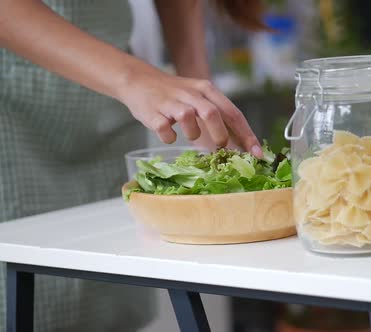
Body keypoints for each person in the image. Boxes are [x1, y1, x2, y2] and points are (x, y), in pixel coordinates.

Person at [0, 0, 266, 330]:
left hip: (106, 101)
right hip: (14, 113)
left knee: (105, 306)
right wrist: (132, 78)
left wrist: (198, 93)